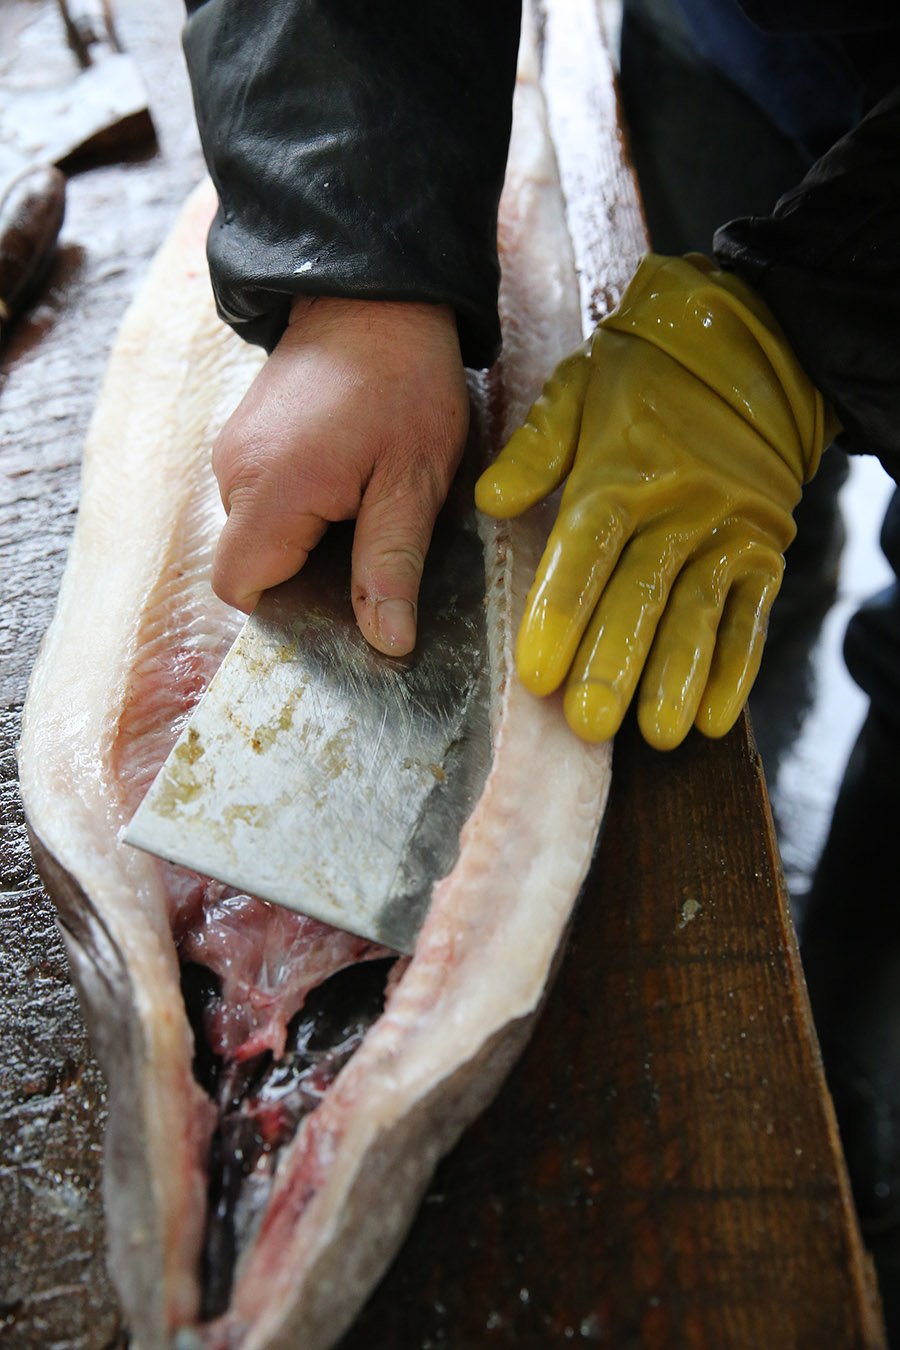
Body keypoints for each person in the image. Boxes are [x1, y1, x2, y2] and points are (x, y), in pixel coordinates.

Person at [180, 0, 900, 1332]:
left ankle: (870, 1125)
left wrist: (820, 324)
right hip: (742, 41)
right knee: (716, 551)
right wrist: (356, 264)